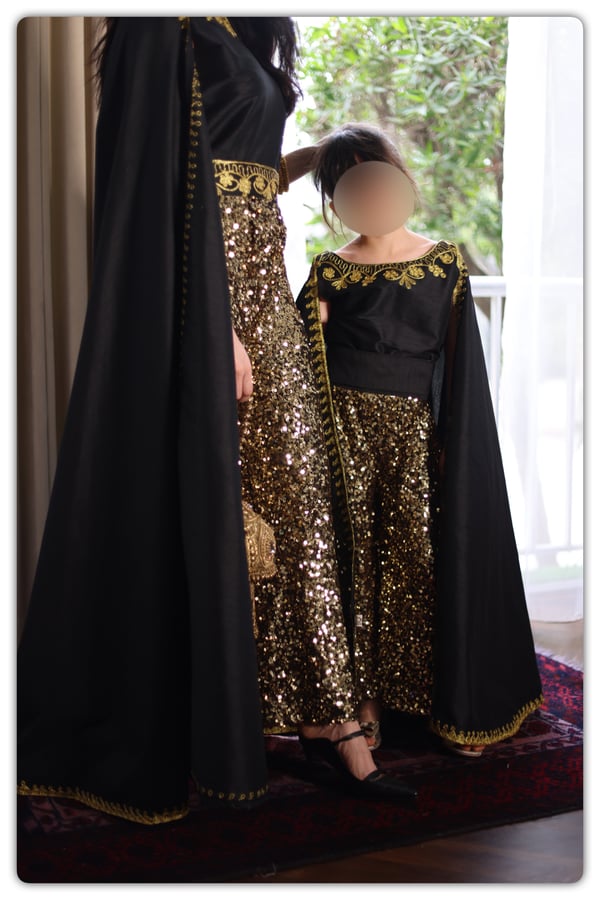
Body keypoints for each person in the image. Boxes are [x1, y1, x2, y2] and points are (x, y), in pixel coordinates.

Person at [17, 21, 414, 826]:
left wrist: (318, 156)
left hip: (265, 284)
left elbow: (244, 174)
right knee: (229, 512)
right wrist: (216, 327)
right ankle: (271, 723)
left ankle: (317, 716)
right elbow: (166, 187)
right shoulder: (165, 28)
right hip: (212, 297)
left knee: (295, 507)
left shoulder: (239, 31)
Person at [296, 123, 543, 757]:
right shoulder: (330, 269)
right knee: (354, 564)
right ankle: (363, 703)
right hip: (343, 438)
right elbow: (302, 356)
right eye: (349, 183)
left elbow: (460, 366)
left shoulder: (444, 264)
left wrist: (450, 442)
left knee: (416, 560)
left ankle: (446, 699)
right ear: (336, 197)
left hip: (414, 437)